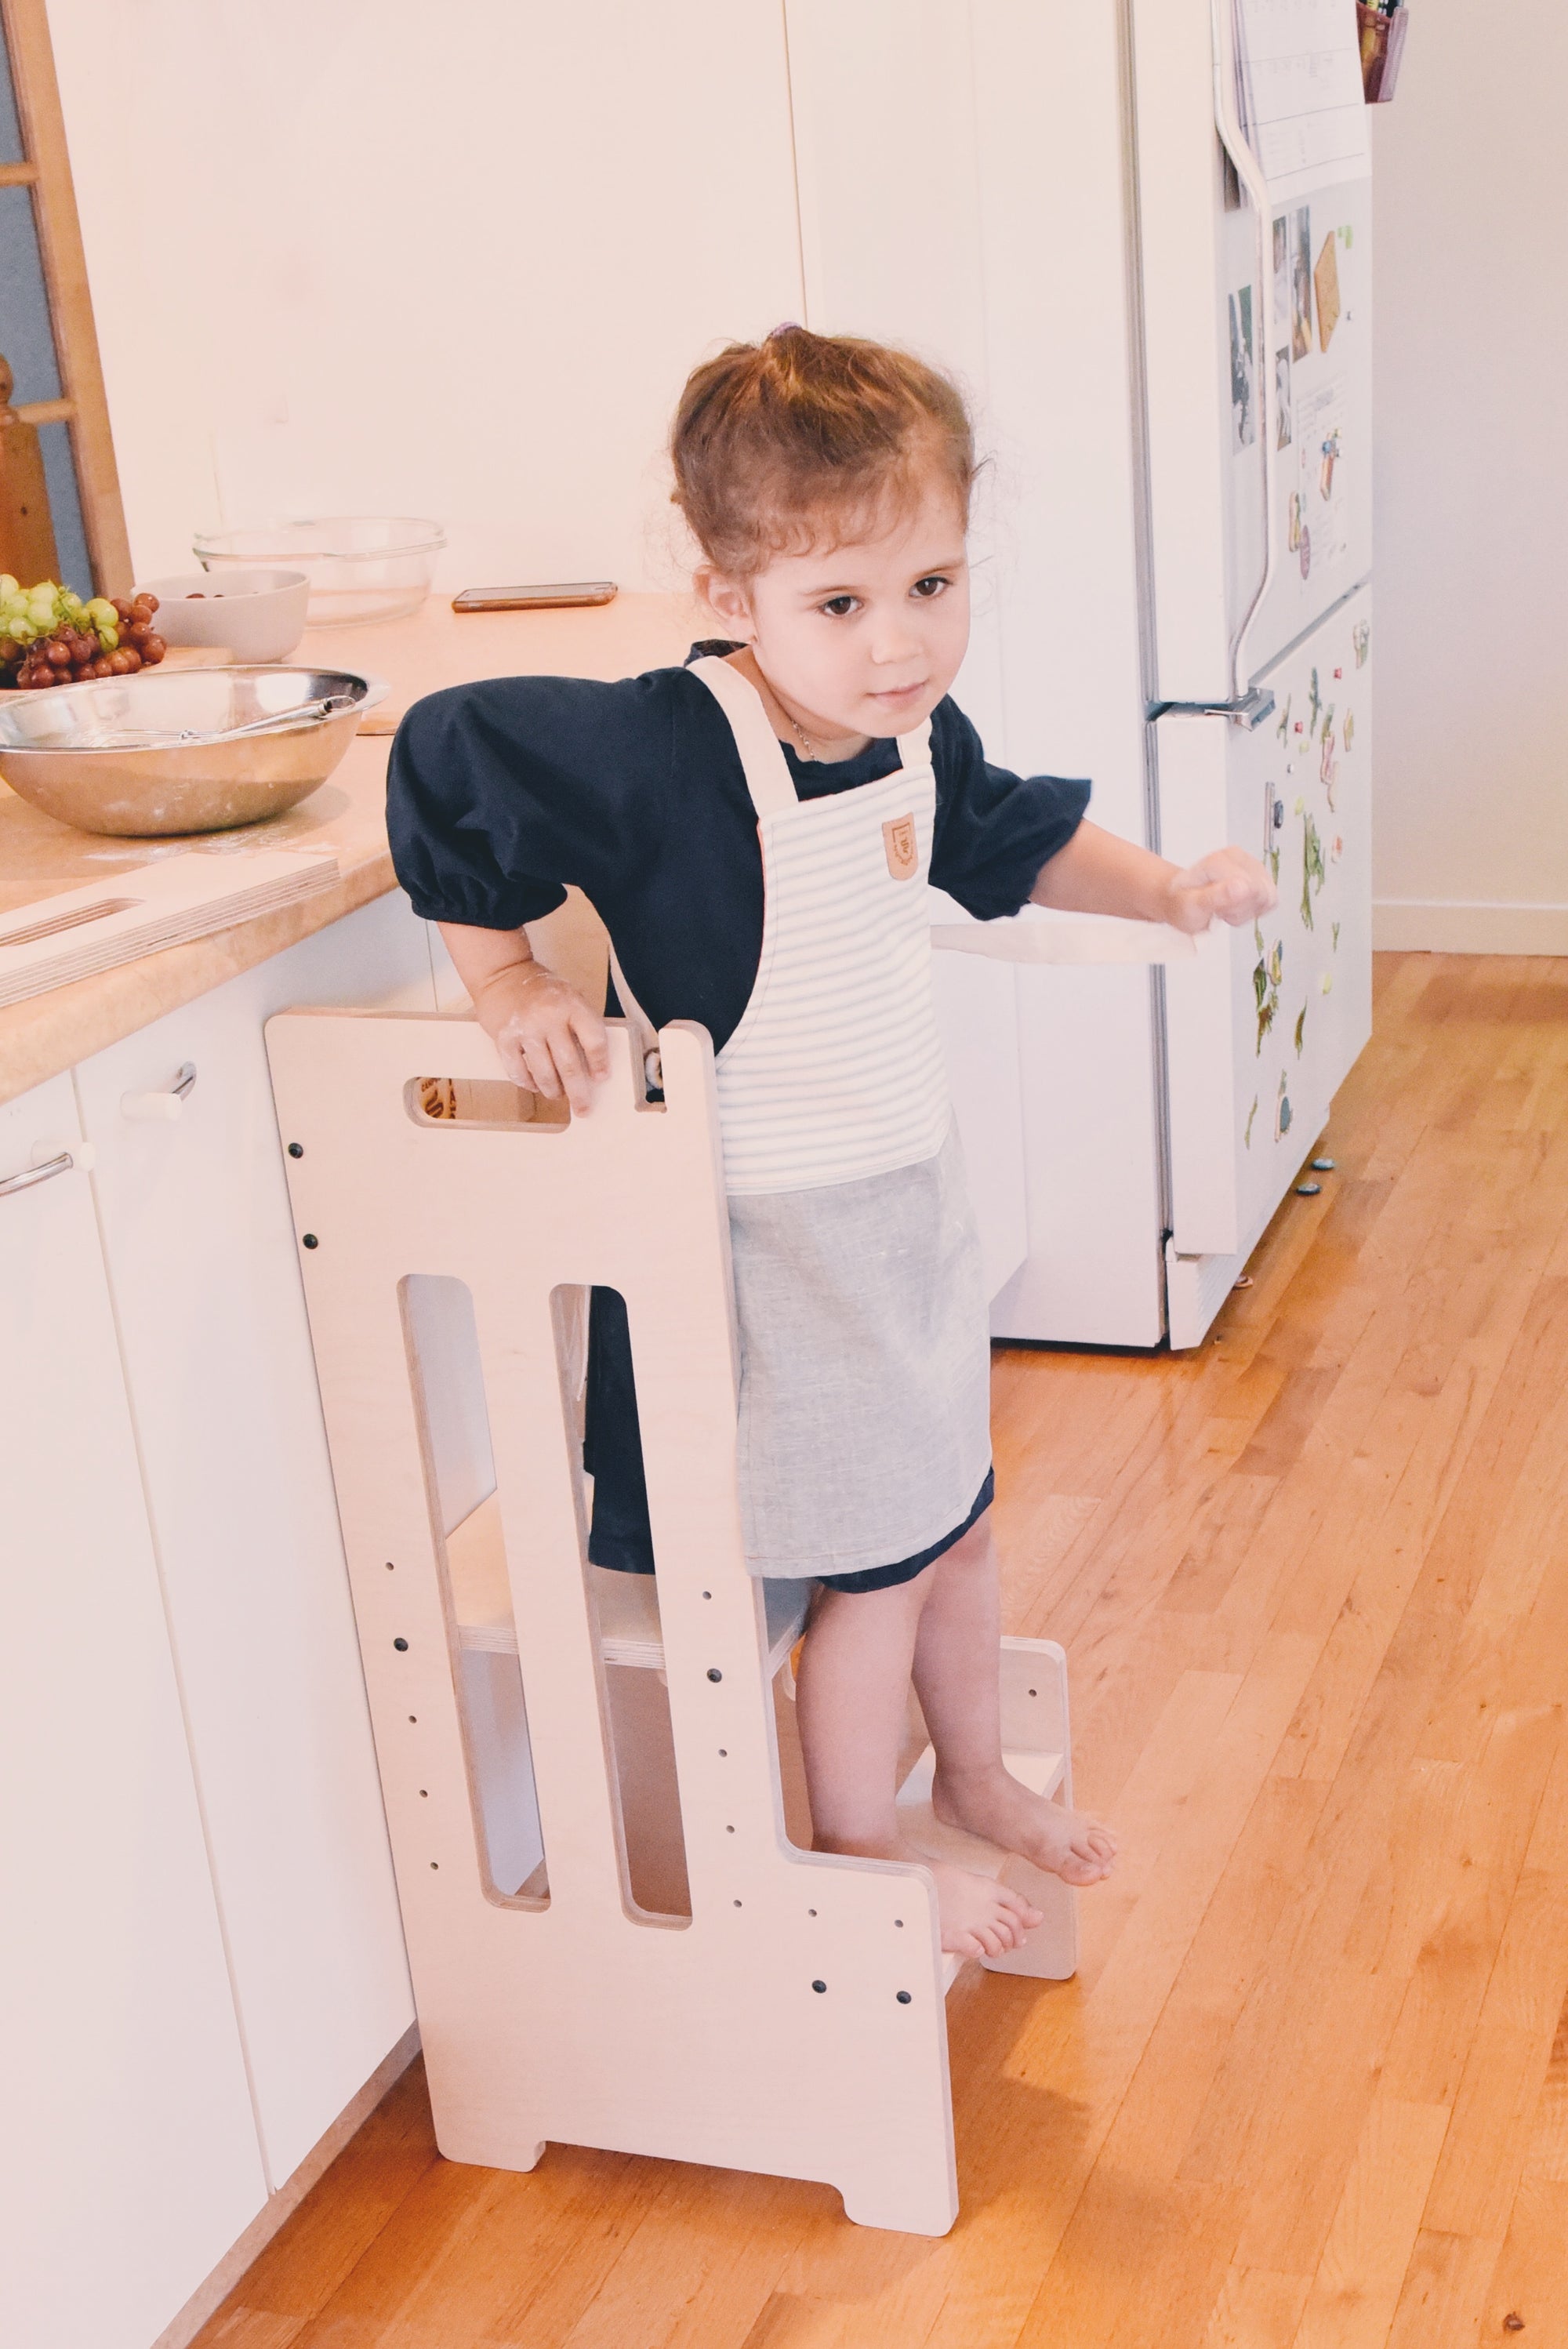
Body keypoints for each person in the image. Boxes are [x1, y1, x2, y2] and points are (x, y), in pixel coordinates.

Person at [388, 328, 1276, 1960]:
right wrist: (505, 969)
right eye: (843, 605)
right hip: (766, 1249)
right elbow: (454, 749)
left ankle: (982, 1777)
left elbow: (1008, 837)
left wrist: (1165, 891)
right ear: (730, 590)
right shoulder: (669, 745)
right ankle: (861, 1844)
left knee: (961, 1520)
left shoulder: (913, 735)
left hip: (903, 1206)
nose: (898, 645)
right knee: (872, 1571)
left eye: (931, 584)